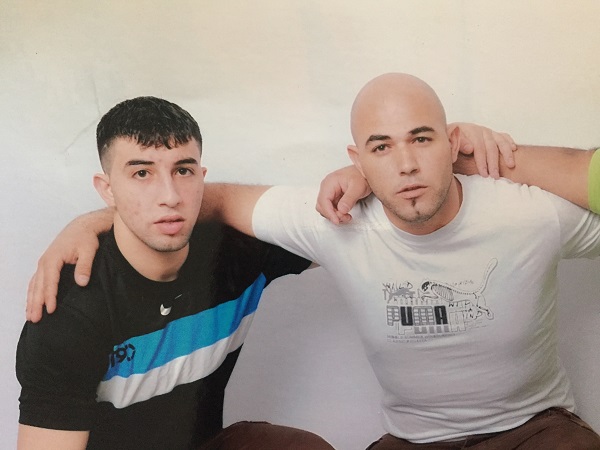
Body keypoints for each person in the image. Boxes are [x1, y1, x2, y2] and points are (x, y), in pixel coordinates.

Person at [176, 74, 600, 448]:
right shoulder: (337, 217)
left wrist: (510, 161)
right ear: (357, 160)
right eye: (381, 147)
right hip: (415, 441)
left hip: (535, 431)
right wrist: (131, 211)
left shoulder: (529, 214)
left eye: (422, 139)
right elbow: (223, 200)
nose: (406, 165)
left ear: (453, 142)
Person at [15, 96, 337, 450]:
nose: (169, 196)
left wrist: (360, 177)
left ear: (202, 179)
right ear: (107, 189)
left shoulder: (236, 252)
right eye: (142, 173)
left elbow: (346, 231)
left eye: (183, 171)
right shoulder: (71, 313)